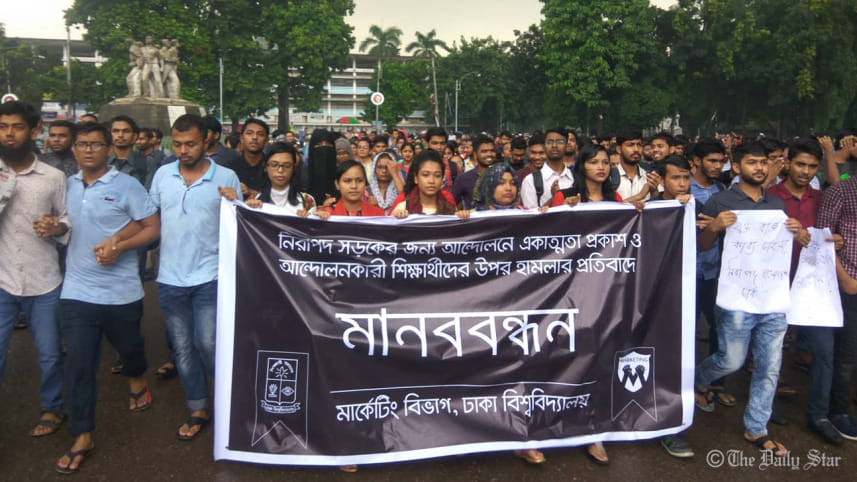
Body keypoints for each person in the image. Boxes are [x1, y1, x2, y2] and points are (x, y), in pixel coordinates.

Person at [54, 122, 161, 474]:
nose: (87, 150)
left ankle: (136, 377)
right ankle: (82, 434)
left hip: (121, 292)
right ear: (74, 149)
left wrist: (120, 246)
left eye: (95, 144)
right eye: (82, 144)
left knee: (130, 350)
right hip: (77, 291)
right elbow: (61, 225)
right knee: (80, 363)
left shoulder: (126, 185)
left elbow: (152, 226)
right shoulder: (65, 186)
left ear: (107, 148)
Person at [694, 141, 805, 457]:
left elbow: (797, 241)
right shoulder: (720, 200)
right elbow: (701, 246)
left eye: (763, 163)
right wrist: (714, 227)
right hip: (736, 297)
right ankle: (700, 378)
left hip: (772, 298)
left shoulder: (777, 202)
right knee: (732, 359)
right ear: (738, 166)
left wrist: (800, 233)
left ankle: (756, 428)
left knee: (770, 366)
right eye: (752, 162)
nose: (759, 167)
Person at [148, 114, 242, 441]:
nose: (183, 150)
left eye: (190, 144)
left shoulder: (227, 176)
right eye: (177, 144)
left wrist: (237, 202)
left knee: (209, 343)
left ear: (206, 142)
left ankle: (229, 403)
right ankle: (198, 407)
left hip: (210, 276)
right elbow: (151, 221)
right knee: (184, 349)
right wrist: (118, 241)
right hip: (170, 278)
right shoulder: (162, 175)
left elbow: (243, 224)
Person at [0, 101, 69, 439]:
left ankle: (52, 407)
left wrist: (56, 227)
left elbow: (68, 221)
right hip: (2, 281)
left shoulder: (53, 178)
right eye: (2, 127)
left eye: (15, 127)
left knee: (50, 355)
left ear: (34, 131)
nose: (8, 133)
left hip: (44, 282)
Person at [768, 137, 844, 444]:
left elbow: (835, 232)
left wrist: (836, 239)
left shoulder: (823, 198)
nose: (806, 171)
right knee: (773, 351)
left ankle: (818, 415)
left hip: (815, 288)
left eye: (812, 166)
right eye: (800, 164)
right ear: (788, 163)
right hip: (776, 284)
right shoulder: (769, 196)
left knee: (824, 353)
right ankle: (767, 405)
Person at [688, 139, 735, 409]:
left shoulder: (722, 190)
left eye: (721, 161)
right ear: (696, 161)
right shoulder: (683, 190)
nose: (718, 166)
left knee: (719, 327)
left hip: (716, 270)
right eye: (712, 161)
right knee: (688, 329)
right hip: (688, 270)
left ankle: (714, 382)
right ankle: (688, 385)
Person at [817, 144, 857, 442]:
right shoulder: (840, 191)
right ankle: (838, 411)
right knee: (846, 352)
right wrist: (844, 278)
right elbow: (822, 237)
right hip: (849, 283)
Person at [244, 142, 316, 216]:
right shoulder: (254, 199)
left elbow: (314, 226)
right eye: (274, 165)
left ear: (294, 168)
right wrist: (248, 210)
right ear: (265, 167)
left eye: (287, 166)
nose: (280, 170)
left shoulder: (307, 201)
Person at [392, 150, 459, 217]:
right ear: (416, 178)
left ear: (442, 179)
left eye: (437, 175)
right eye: (425, 175)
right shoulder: (402, 209)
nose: (431, 181)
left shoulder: (450, 209)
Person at [521, 128, 575, 208]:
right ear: (544, 146)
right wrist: (554, 198)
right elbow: (531, 218)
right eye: (550, 142)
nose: (554, 146)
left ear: (566, 145)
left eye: (560, 142)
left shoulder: (575, 177)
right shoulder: (530, 181)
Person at [319, 160, 385, 217]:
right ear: (337, 184)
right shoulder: (327, 214)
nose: (354, 186)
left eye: (359, 180)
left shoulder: (378, 214)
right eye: (347, 181)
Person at [224, 118, 269, 198]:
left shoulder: (273, 168)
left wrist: (252, 192)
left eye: (260, 134)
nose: (254, 137)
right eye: (249, 133)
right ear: (241, 138)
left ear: (266, 141)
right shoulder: (229, 169)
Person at [451, 134, 496, 209]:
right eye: (484, 151)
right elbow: (451, 204)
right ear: (475, 154)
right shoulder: (463, 179)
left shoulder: (503, 176)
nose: (489, 154)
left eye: (492, 151)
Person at [614, 128, 659, 202]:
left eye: (639, 145)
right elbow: (608, 208)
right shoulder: (610, 178)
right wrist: (640, 196)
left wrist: (654, 192)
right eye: (630, 145)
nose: (636, 149)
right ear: (619, 149)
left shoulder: (650, 177)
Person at [108, 115, 152, 189]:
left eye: (126, 131)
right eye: (116, 131)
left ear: (134, 136)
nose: (120, 135)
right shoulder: (102, 161)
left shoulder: (146, 161)